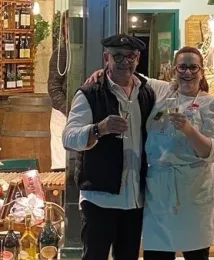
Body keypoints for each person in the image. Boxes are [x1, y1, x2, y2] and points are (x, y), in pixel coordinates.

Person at [86, 46, 214, 260]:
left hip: (193, 190)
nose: (187, 73)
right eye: (182, 67)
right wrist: (104, 71)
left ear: (202, 72)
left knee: (196, 253)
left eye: (193, 67)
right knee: (156, 254)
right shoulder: (162, 92)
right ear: (174, 70)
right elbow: (131, 75)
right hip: (159, 192)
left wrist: (189, 130)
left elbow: (213, 153)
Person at [62, 34, 155, 260]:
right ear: (107, 58)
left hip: (134, 198)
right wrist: (98, 129)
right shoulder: (89, 93)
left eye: (131, 56)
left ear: (138, 58)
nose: (125, 61)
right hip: (100, 197)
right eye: (118, 56)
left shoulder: (146, 90)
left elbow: (176, 88)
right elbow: (68, 137)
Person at [48, 10, 69, 171]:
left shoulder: (88, 52)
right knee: (61, 168)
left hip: (82, 115)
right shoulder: (60, 53)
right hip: (62, 117)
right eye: (68, 25)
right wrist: (70, 110)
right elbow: (54, 88)